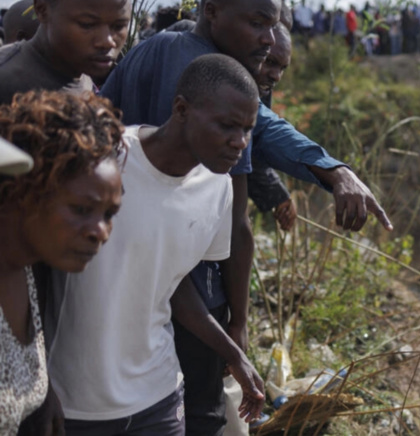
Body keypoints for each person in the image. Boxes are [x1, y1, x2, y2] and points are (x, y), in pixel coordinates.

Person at [101, 0, 392, 433]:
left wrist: (334, 170)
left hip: (120, 275)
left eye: (272, 26)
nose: (267, 39)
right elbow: (239, 219)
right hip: (186, 287)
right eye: (258, 23)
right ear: (212, 11)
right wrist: (237, 325)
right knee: (200, 411)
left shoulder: (153, 49)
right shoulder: (211, 85)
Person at [48, 54, 266, 435]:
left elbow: (173, 281)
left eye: (247, 129)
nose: (239, 143)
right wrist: (38, 386)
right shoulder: (105, 159)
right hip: (73, 405)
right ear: (181, 109)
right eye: (227, 126)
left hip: (158, 398)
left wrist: (235, 355)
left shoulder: (217, 188)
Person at [0, 90, 125, 434]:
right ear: (22, 191)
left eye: (109, 214)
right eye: (82, 210)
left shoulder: (26, 269)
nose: (100, 232)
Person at [0, 0, 131, 105]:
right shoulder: (7, 78)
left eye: (118, 26)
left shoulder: (79, 73)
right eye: (87, 24)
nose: (107, 42)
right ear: (42, 10)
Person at [249, 22, 297, 232]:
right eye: (269, 62)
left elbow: (253, 141)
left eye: (282, 68)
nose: (276, 75)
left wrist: (277, 194)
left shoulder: (260, 87)